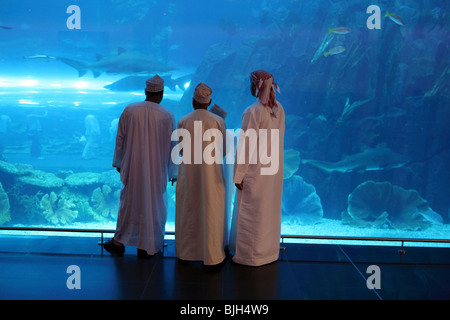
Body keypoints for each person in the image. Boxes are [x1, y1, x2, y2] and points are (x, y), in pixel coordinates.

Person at [105, 75, 178, 258]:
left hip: (132, 166)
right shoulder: (167, 115)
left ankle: (119, 241)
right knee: (154, 204)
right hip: (156, 169)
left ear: (146, 91)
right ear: (161, 93)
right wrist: (173, 172)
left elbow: (120, 138)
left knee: (129, 204)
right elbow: (173, 147)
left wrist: (119, 162)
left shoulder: (130, 110)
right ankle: (149, 244)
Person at [229, 70, 285, 267]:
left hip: (254, 170)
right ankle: (268, 251)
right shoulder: (279, 109)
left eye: (252, 84)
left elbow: (246, 145)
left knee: (251, 212)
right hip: (272, 172)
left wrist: (239, 175)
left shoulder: (253, 111)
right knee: (268, 211)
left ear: (257, 86)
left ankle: (250, 255)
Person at [175, 83, 227, 266]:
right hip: (211, 177)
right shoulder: (218, 121)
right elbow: (225, 150)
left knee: (188, 212)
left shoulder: (183, 120)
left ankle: (186, 253)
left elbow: (180, 150)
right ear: (210, 101)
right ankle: (212, 257)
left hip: (188, 176)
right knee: (211, 213)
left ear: (193, 101)